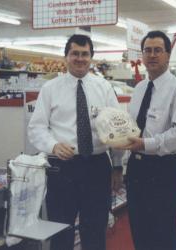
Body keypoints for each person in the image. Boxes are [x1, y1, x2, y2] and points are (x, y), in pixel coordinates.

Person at [28, 34, 123, 250]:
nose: (80, 59)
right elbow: (36, 127)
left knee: (96, 230)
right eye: (75, 54)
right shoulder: (50, 89)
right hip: (62, 168)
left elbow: (117, 129)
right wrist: (53, 145)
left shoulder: (104, 88)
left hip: (97, 166)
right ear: (66, 57)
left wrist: (117, 165)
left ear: (91, 58)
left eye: (85, 54)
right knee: (61, 230)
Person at [122, 31, 176, 250]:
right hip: (136, 167)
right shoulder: (139, 89)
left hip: (163, 168)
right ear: (142, 55)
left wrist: (146, 144)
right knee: (138, 226)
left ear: (168, 55)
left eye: (157, 50)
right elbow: (132, 125)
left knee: (162, 229)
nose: (152, 55)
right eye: (147, 50)